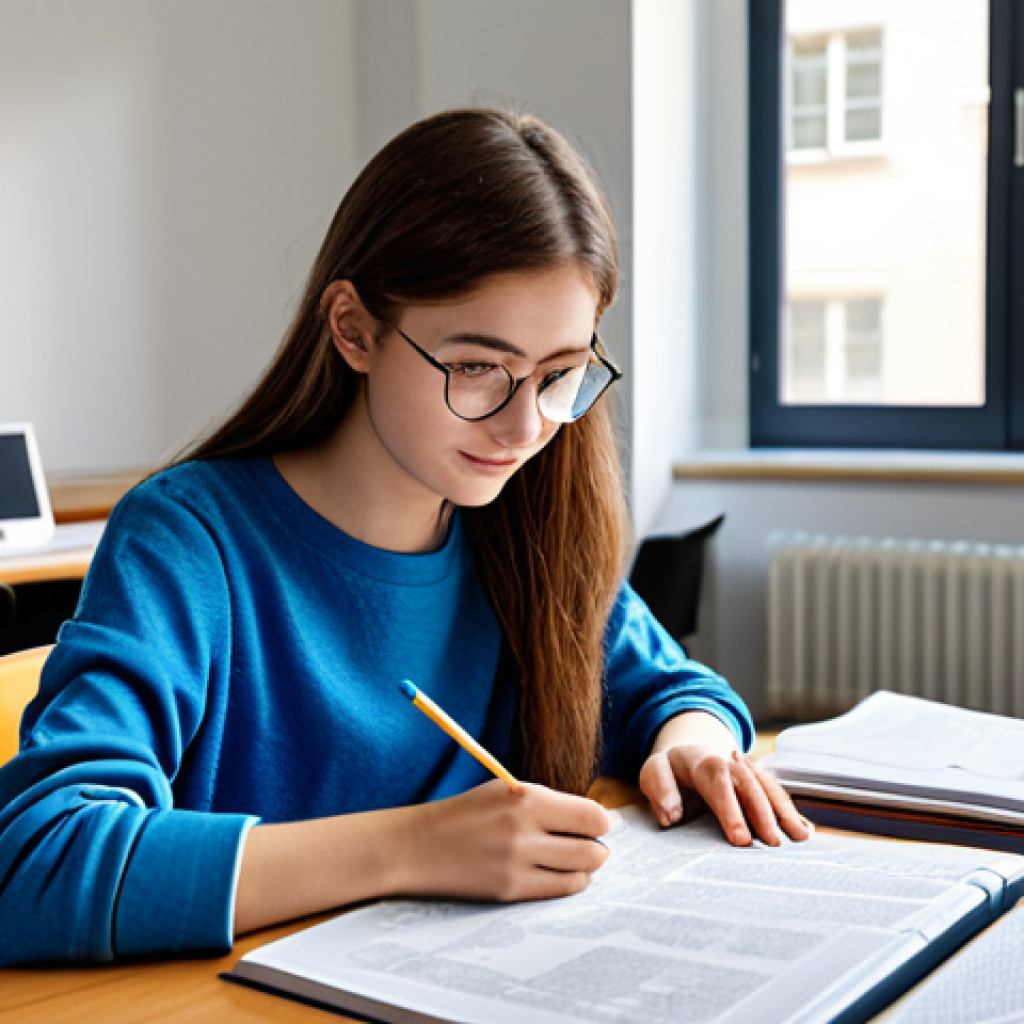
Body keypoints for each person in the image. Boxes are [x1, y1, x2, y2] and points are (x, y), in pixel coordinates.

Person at [0, 108, 809, 966]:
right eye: (476, 368)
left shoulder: (527, 533)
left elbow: (676, 690)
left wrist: (697, 746)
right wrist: (415, 848)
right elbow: (33, 864)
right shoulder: (191, 543)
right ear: (354, 329)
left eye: (561, 375)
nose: (525, 423)